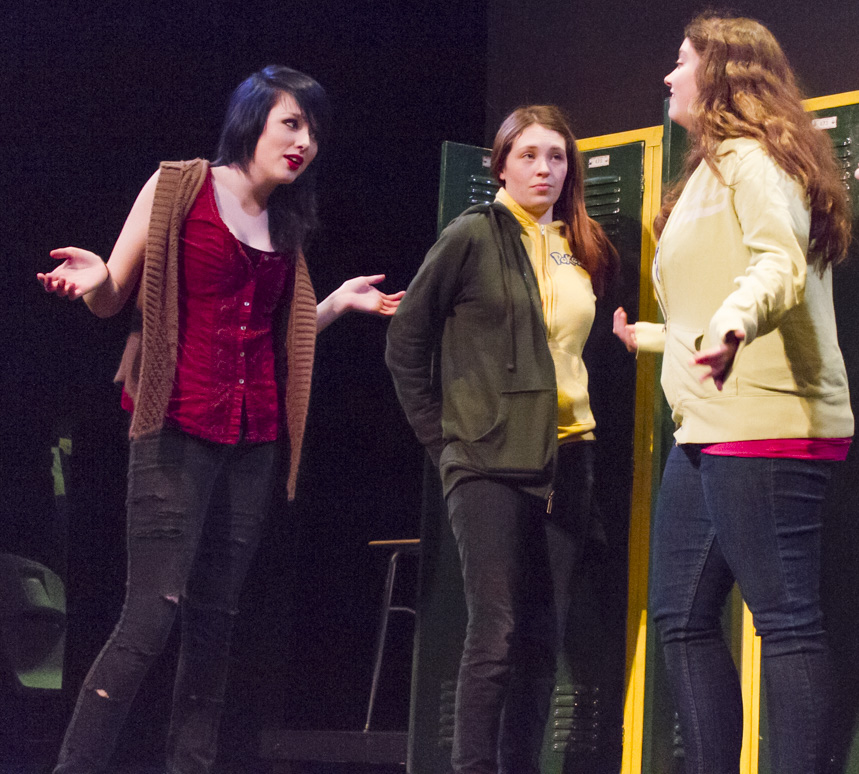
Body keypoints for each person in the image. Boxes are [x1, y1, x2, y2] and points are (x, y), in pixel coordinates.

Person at [37, 65, 403, 774]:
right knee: (150, 617)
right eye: (291, 123)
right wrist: (92, 282)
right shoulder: (180, 184)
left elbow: (276, 341)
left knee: (215, 623)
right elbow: (113, 295)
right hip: (175, 427)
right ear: (253, 120)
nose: (304, 142)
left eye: (314, 132)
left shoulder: (287, 222)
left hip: (253, 440)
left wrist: (334, 304)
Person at [613, 14, 853, 774]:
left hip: (768, 418)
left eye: (679, 61)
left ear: (719, 72)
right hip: (707, 424)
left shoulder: (756, 162)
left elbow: (775, 268)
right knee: (679, 619)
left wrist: (729, 326)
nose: (667, 77)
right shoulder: (707, 177)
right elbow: (705, 302)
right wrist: (656, 338)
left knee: (784, 623)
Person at [386, 105, 617, 774]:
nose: (543, 168)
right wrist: (446, 443)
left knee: (543, 641)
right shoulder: (471, 236)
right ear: (501, 164)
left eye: (555, 156)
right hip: (487, 460)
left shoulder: (583, 246)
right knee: (497, 633)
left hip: (569, 455)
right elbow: (406, 344)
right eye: (528, 155)